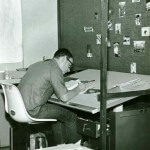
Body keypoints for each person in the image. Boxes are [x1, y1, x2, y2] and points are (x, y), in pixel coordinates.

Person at [18, 48, 86, 144]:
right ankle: (77, 147)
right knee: (71, 117)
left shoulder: (37, 64)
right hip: (33, 110)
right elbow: (64, 97)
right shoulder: (55, 69)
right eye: (69, 65)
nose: (69, 69)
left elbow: (41, 86)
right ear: (64, 59)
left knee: (59, 116)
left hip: (20, 107)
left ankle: (61, 146)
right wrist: (78, 88)